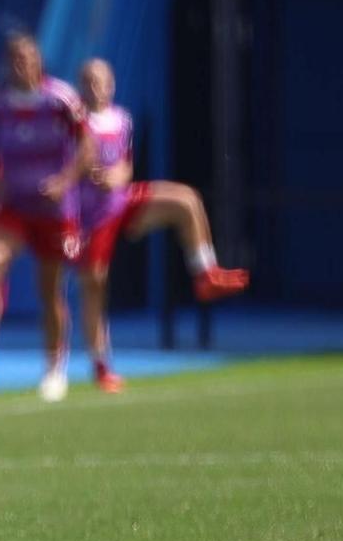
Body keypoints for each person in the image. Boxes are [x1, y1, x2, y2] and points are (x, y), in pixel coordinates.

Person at [75, 59, 249, 393]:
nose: (94, 87)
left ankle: (206, 275)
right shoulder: (73, 122)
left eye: (100, 81)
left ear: (112, 85)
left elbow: (124, 166)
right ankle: (100, 366)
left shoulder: (122, 119)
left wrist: (115, 177)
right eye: (88, 81)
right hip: (89, 215)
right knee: (94, 284)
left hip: (121, 203)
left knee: (185, 200)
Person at [0, 31, 93, 402]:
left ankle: (54, 370)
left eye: (26, 57)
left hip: (53, 210)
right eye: (13, 57)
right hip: (12, 205)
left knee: (50, 291)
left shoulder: (61, 99)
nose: (20, 63)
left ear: (38, 60)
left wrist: (64, 182)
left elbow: (87, 147)